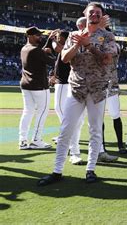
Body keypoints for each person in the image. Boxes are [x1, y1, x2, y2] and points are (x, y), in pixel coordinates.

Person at [38, 2, 117, 186]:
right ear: (85, 14)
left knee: (95, 130)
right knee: (66, 129)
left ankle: (90, 169)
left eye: (98, 12)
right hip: (76, 88)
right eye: (91, 12)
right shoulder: (73, 35)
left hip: (97, 89)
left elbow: (106, 60)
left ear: (101, 15)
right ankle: (57, 171)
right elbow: (65, 58)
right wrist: (77, 44)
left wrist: (89, 45)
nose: (94, 15)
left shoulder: (107, 36)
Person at [51, 28, 85, 165]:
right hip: (67, 83)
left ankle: (73, 148)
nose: (58, 38)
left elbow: (57, 48)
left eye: (59, 37)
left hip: (65, 84)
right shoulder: (69, 48)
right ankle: (72, 145)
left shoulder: (65, 48)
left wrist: (52, 40)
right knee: (72, 120)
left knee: (66, 117)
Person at [18, 26, 56, 150]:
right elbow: (52, 62)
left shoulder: (25, 48)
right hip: (39, 86)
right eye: (37, 35)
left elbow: (41, 51)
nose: (40, 37)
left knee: (27, 112)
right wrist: (52, 53)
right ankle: (36, 140)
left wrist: (49, 40)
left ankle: (22, 141)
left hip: (26, 84)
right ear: (30, 36)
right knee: (42, 112)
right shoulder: (36, 50)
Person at [104, 41, 127, 154]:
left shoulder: (114, 45)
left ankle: (120, 144)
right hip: (98, 85)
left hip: (112, 85)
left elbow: (111, 53)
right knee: (98, 118)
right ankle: (101, 145)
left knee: (115, 115)